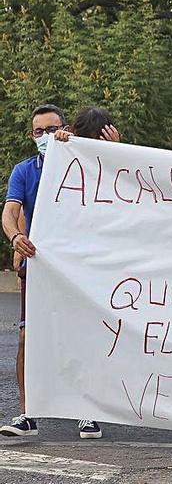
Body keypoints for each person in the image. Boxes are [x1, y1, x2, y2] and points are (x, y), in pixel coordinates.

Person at [0, 104, 103, 439]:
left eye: (51, 129)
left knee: (81, 338)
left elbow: (115, 182)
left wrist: (97, 146)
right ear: (32, 136)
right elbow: (10, 211)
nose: (44, 136)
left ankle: (87, 414)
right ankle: (27, 415)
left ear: (66, 128)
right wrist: (16, 237)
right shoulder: (24, 170)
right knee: (28, 339)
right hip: (40, 268)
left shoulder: (82, 162)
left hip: (80, 268)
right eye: (37, 132)